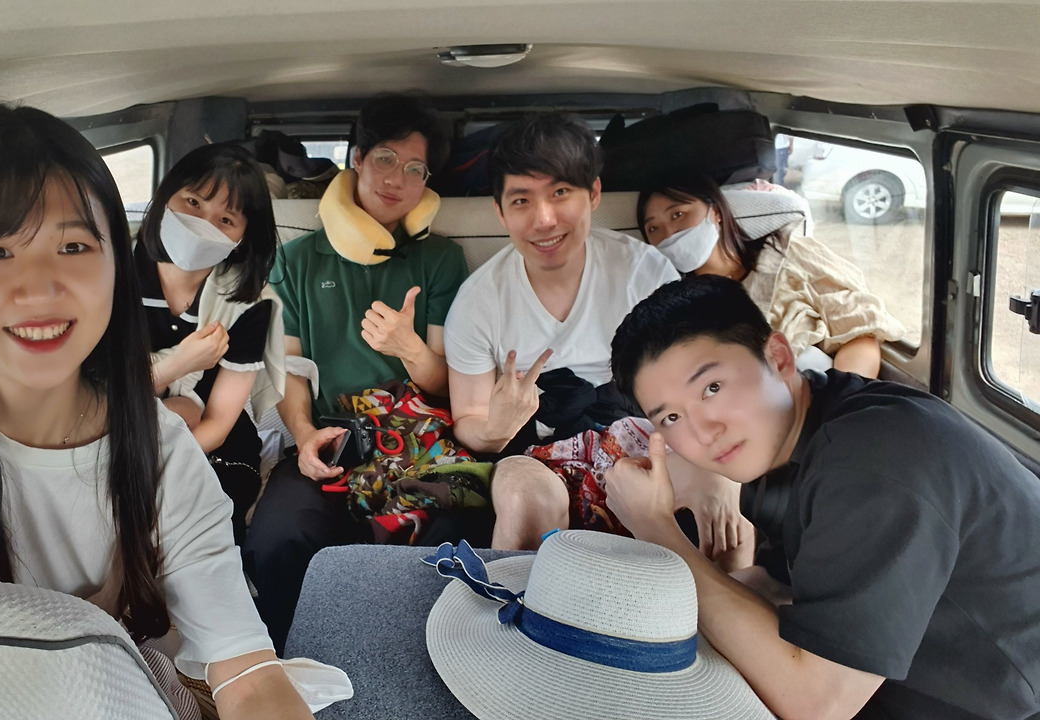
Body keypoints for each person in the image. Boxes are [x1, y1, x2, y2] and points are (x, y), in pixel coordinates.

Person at [0, 104, 314, 719]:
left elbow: (249, 677)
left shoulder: (163, 453)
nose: (40, 289)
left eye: (72, 245)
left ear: (111, 260)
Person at [605, 275, 1040, 720]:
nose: (703, 432)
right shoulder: (793, 434)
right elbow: (774, 584)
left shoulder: (872, 462)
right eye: (672, 417)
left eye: (712, 388)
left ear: (778, 358)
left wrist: (657, 529)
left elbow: (818, 705)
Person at [444, 114, 749, 561]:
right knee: (523, 496)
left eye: (560, 194)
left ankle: (727, 603)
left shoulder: (644, 272)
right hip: (539, 448)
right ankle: (514, 603)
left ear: (593, 194)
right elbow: (469, 421)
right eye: (522, 200)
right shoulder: (477, 302)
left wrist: (720, 474)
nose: (544, 220)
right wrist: (494, 429)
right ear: (500, 211)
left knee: (721, 499)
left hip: (648, 434)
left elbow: (700, 382)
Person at [243, 92, 482, 653]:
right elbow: (290, 370)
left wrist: (409, 349)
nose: (398, 178)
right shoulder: (296, 260)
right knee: (276, 537)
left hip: (419, 438)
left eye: (416, 168)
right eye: (385, 159)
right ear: (356, 159)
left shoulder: (441, 260)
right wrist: (304, 436)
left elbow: (447, 384)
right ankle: (291, 660)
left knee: (454, 534)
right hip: (332, 434)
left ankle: (413, 660)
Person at [136, 143, 284, 545]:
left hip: (208, 446)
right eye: (193, 202)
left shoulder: (249, 303)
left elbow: (217, 424)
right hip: (116, 433)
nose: (203, 224)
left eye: (226, 219)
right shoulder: (110, 275)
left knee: (196, 529)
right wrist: (178, 363)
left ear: (243, 236)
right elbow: (92, 398)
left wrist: (159, 469)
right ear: (165, 196)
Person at [637, 174, 904, 378]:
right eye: (654, 228)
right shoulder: (673, 306)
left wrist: (840, 402)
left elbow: (859, 332)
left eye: (678, 214)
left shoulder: (788, 254)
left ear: (715, 212)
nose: (669, 234)